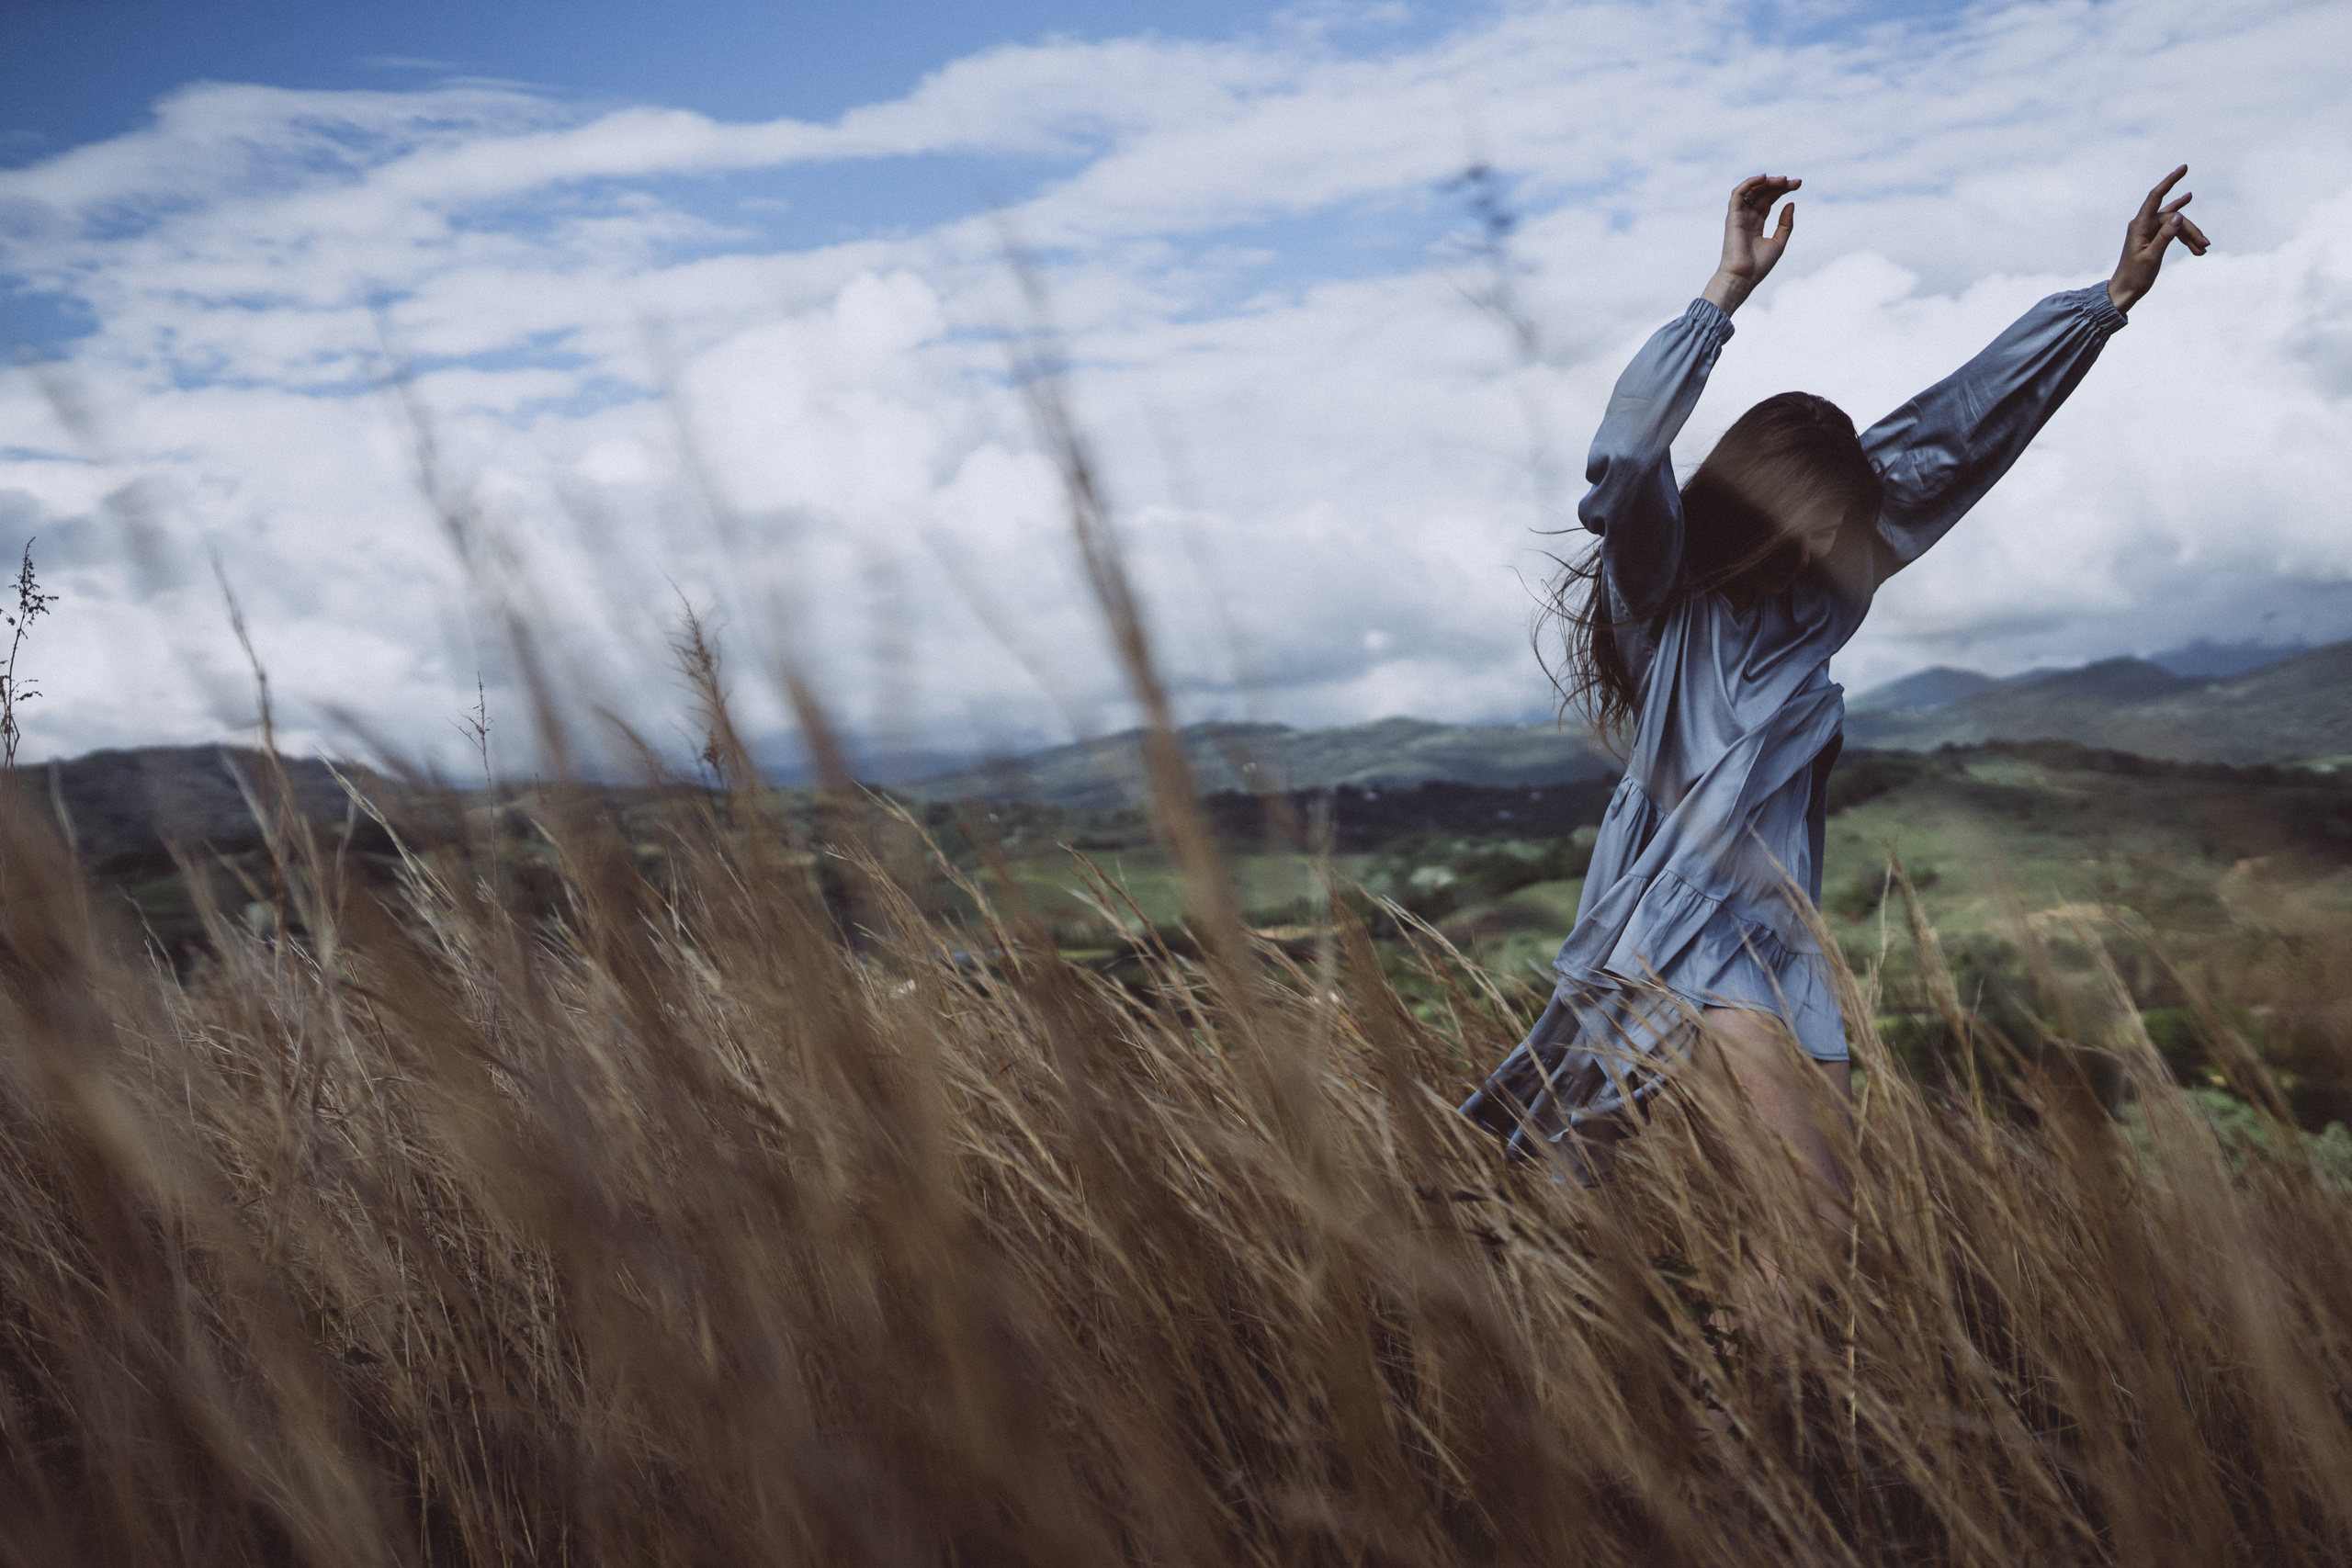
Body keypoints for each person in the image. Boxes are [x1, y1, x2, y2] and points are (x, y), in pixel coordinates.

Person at [1460, 168, 2210, 1215]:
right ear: (1748, 506)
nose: (1816, 555)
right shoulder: (1661, 597)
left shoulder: (1827, 591)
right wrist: (1723, 291)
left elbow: (1955, 435)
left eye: (1833, 534)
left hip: (1782, 943)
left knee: (1812, 1247)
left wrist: (2105, 302)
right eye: (1799, 529)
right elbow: (1629, 457)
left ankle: (1736, 1371)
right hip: (1686, 931)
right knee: (1812, 1210)